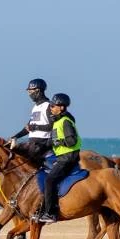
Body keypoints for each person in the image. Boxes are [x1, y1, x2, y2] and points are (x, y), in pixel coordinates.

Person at [34, 93, 81, 223]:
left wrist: (58, 142)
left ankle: (51, 213)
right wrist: (38, 146)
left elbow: (72, 141)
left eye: (53, 106)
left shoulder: (65, 121)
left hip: (68, 158)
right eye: (51, 106)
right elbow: (52, 141)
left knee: (50, 180)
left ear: (61, 107)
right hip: (62, 157)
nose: (51, 108)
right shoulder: (57, 122)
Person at [9, 78, 53, 167]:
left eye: (30, 91)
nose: (29, 94)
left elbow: (52, 126)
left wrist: (35, 127)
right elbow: (29, 127)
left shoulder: (48, 106)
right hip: (33, 142)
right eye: (28, 91)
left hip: (42, 143)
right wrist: (16, 136)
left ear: (38, 90)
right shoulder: (35, 107)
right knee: (11, 152)